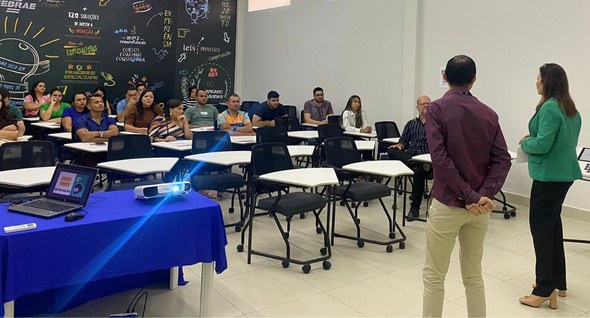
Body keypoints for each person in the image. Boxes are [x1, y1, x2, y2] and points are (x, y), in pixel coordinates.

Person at [422, 55, 511, 317]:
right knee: (473, 276)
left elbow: (440, 159)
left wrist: (471, 195)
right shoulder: (489, 114)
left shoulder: (436, 109)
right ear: (474, 80)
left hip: (448, 204)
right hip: (478, 211)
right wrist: (482, 195)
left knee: (434, 277)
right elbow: (502, 159)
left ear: (445, 78)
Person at [518, 63, 582, 309]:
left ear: (548, 82)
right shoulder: (571, 109)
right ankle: (559, 282)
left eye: (539, 77)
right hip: (564, 174)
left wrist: (526, 142)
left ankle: (544, 287)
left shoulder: (549, 109)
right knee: (553, 227)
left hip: (548, 176)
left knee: (541, 230)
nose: (536, 81)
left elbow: (543, 145)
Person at [387, 95, 431, 220]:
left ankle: (414, 208)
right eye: (423, 104)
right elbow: (403, 142)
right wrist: (399, 146)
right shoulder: (411, 124)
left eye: (428, 103)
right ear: (417, 107)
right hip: (412, 156)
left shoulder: (437, 123)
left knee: (418, 170)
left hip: (429, 158)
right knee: (391, 150)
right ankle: (415, 163)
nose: (426, 106)